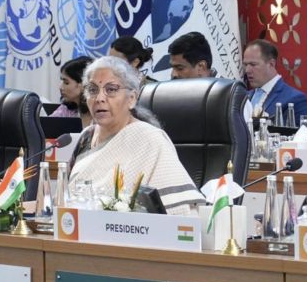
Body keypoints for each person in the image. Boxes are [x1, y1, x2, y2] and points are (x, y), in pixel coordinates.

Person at [68, 56, 204, 215]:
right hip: (78, 230)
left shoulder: (150, 139)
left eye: (111, 89)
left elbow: (179, 212)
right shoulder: (86, 137)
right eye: (92, 90)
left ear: (131, 99)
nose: (99, 98)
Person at [244, 39, 307, 125]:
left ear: (271, 64)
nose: (247, 70)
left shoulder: (295, 99)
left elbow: (299, 136)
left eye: (253, 64)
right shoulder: (243, 97)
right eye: (245, 65)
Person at [50, 56, 93, 127]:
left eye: (66, 83)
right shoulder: (65, 109)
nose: (60, 88)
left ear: (83, 84)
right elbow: (47, 128)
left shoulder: (100, 113)